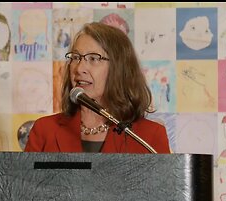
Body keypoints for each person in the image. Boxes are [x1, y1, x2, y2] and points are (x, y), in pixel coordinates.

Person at [25, 22, 170, 154]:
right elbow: (23, 183)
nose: (80, 68)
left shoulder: (149, 136)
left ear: (118, 68)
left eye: (93, 58)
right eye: (75, 58)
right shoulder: (45, 130)